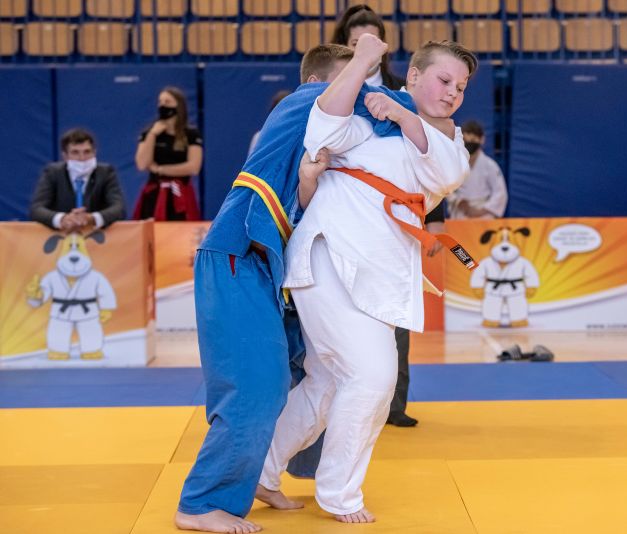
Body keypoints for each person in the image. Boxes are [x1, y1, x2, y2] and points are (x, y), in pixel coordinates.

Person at [174, 43, 420, 534]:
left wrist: (310, 182)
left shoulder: (320, 139)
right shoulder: (299, 103)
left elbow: (300, 211)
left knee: (304, 375)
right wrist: (404, 90)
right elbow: (375, 104)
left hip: (270, 267)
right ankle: (201, 503)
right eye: (354, 84)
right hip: (237, 255)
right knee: (256, 384)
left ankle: (260, 477)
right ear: (321, 83)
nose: (363, 94)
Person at [258, 36, 476, 524]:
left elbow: (447, 175)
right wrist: (365, 70)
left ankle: (261, 471)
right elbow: (324, 129)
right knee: (373, 376)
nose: (452, 93)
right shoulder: (369, 116)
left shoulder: (445, 138)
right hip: (332, 253)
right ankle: (340, 494)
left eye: (461, 87)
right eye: (444, 80)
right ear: (413, 75)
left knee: (326, 383)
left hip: (378, 267)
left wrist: (404, 117)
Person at [332, 3, 423, 427]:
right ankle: (338, 403)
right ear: (345, 45)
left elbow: (424, 155)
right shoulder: (330, 89)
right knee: (341, 313)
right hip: (342, 213)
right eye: (355, 42)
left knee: (394, 310)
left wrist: (432, 219)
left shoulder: (402, 93)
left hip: (392, 217)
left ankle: (394, 405)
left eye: (371, 41)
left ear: (384, 47)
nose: (364, 48)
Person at [30, 128, 125, 231]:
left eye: (87, 152)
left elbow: (119, 208)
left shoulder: (106, 173)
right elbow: (36, 209)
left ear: (94, 152)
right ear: (65, 156)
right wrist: (62, 219)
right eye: (75, 152)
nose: (82, 158)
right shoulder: (53, 173)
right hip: (60, 237)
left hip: (97, 237)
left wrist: (92, 218)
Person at [134, 86, 203, 221]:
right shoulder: (149, 132)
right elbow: (142, 164)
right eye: (160, 102)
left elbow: (194, 167)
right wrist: (152, 135)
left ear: (178, 106)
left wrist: (160, 169)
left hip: (180, 191)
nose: (162, 105)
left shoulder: (191, 134)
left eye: (167, 102)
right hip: (154, 192)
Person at [332, 4, 404, 90]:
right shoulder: (328, 91)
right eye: (355, 44)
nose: (364, 50)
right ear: (345, 46)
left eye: (371, 43)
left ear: (383, 46)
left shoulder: (402, 90)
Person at [448, 120, 507, 219]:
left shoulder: (490, 165)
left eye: (473, 139)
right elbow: (446, 188)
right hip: (461, 211)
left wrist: (482, 210)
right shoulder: (455, 163)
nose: (469, 143)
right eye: (466, 140)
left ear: (482, 140)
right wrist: (458, 201)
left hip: (484, 212)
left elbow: (500, 193)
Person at [247, 90, 291, 157]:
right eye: (280, 109)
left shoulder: (301, 137)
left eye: (287, 109)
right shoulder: (259, 137)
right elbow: (251, 163)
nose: (283, 113)